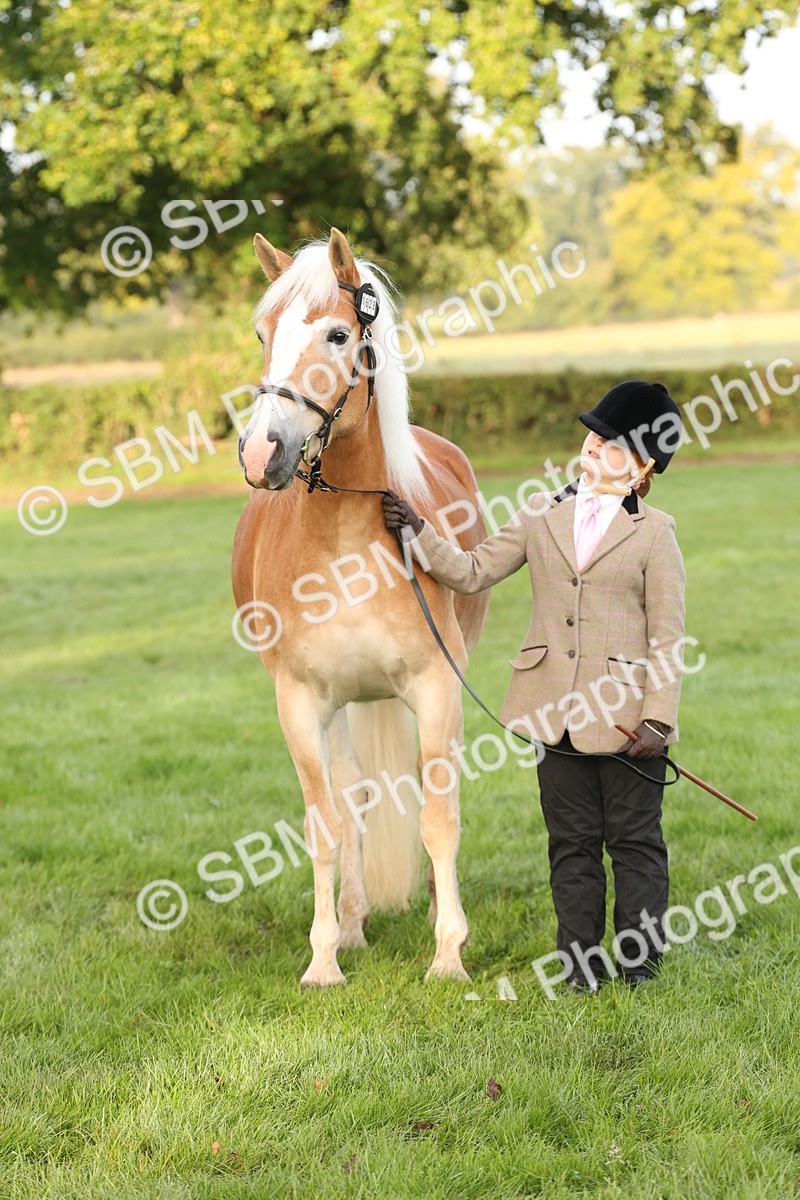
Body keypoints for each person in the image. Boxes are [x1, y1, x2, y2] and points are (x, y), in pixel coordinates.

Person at [382, 381, 687, 993]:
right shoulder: (542, 514)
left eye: (615, 442)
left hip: (628, 721)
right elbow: (473, 571)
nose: (595, 444)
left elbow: (668, 636)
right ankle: (578, 965)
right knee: (570, 843)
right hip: (554, 713)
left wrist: (659, 717)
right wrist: (417, 533)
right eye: (594, 433)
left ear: (645, 465)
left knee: (634, 845)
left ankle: (640, 966)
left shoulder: (656, 533)